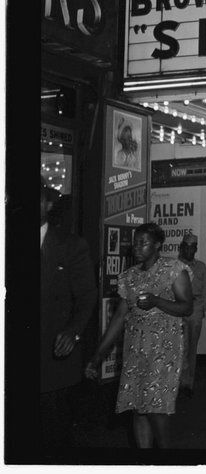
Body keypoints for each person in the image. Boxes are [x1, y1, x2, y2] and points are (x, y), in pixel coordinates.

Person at [85, 222, 193, 448]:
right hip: (135, 348)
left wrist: (156, 301)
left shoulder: (174, 269)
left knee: (156, 407)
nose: (137, 247)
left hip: (164, 349)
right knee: (138, 407)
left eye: (143, 243)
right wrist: (97, 357)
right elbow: (117, 320)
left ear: (158, 245)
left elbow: (186, 307)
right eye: (135, 243)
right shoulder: (129, 277)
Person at [40, 182, 97, 451]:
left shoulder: (71, 246)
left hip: (53, 359)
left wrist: (73, 331)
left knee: (53, 435)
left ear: (47, 204)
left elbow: (87, 297)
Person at [177, 232, 206, 398]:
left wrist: (203, 309)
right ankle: (179, 381)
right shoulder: (176, 265)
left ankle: (189, 383)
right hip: (180, 306)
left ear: (196, 249)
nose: (189, 250)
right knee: (181, 346)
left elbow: (204, 290)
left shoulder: (201, 266)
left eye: (192, 247)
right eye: (186, 247)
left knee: (192, 347)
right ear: (182, 248)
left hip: (195, 308)